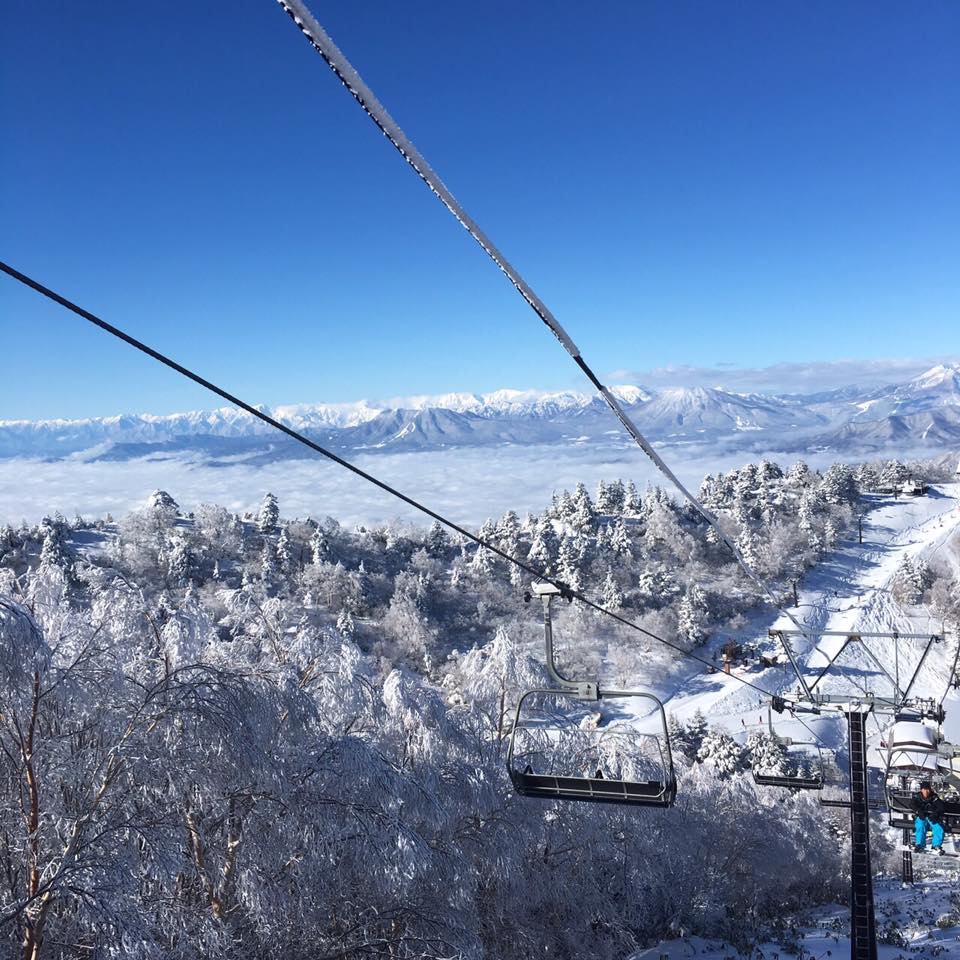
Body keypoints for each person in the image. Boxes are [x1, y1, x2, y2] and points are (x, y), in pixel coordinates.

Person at [913, 780, 946, 853]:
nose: (926, 792)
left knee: (939, 828)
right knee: (920, 826)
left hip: (932, 817)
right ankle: (920, 844)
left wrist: (935, 814)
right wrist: (918, 811)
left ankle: (936, 846)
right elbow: (912, 804)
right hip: (922, 816)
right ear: (921, 790)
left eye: (928, 789)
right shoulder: (917, 797)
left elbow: (941, 807)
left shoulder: (934, 797)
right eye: (924, 790)